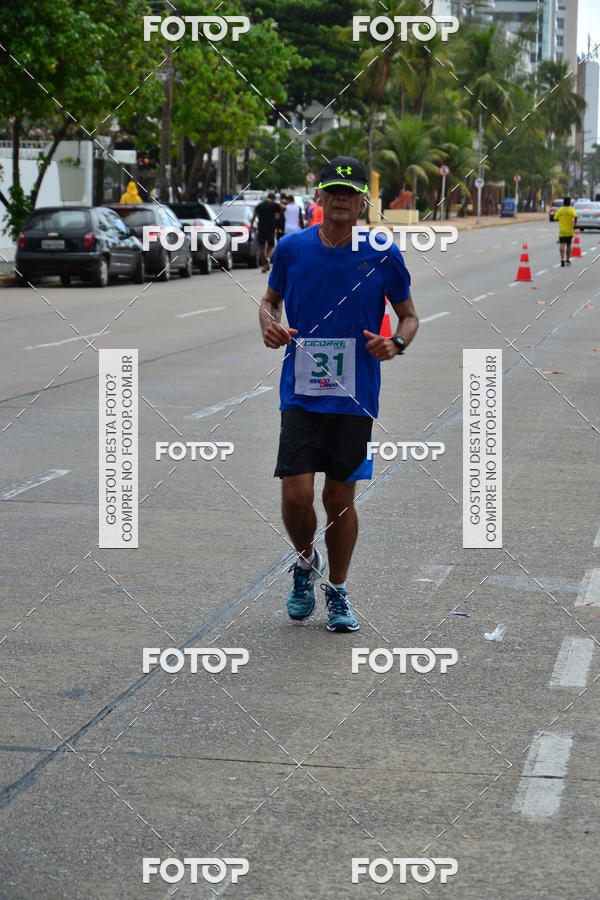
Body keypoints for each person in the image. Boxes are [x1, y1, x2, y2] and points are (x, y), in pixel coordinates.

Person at [259, 156, 419, 632]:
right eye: (334, 193)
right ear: (320, 199)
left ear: (362, 203)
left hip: (355, 396)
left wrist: (396, 343)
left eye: (350, 195)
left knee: (339, 500)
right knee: (296, 493)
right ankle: (306, 564)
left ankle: (340, 589)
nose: (342, 201)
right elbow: (270, 301)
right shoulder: (292, 249)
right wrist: (268, 324)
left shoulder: (382, 252)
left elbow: (410, 315)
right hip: (301, 393)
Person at [250, 192, 281, 272]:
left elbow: (253, 217)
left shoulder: (259, 205)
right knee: (271, 247)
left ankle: (264, 265)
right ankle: (268, 258)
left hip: (261, 229)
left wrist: (251, 226)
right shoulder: (274, 205)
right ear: (273, 198)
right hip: (271, 229)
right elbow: (278, 216)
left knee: (261, 248)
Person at [555, 195, 578, 266]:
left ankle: (562, 259)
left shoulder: (560, 210)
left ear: (563, 202)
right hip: (569, 231)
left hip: (562, 231)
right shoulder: (571, 210)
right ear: (570, 202)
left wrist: (561, 220)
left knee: (562, 244)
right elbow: (576, 216)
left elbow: (555, 218)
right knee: (568, 245)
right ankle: (568, 260)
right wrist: (574, 223)